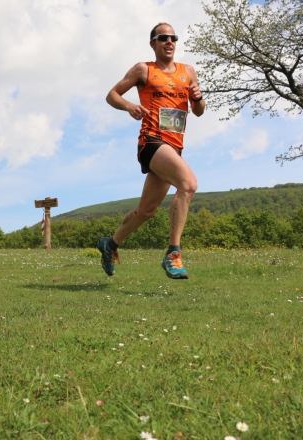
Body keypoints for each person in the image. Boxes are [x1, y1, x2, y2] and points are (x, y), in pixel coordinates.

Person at [98, 22, 205, 279]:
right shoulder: (143, 69)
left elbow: (199, 111)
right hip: (152, 141)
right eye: (163, 37)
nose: (169, 41)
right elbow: (112, 95)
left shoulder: (188, 72)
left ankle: (110, 245)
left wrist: (198, 97)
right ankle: (173, 254)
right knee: (188, 184)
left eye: (173, 38)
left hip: (174, 146)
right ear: (153, 43)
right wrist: (129, 106)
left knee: (146, 211)